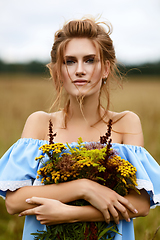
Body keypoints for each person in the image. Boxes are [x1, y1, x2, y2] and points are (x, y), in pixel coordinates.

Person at [0, 17, 160, 240]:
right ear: (58, 71)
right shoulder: (40, 123)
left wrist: (71, 214)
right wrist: (84, 187)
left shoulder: (126, 123)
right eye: (70, 61)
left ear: (105, 68)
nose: (80, 70)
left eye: (90, 60)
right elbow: (14, 202)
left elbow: (140, 205)